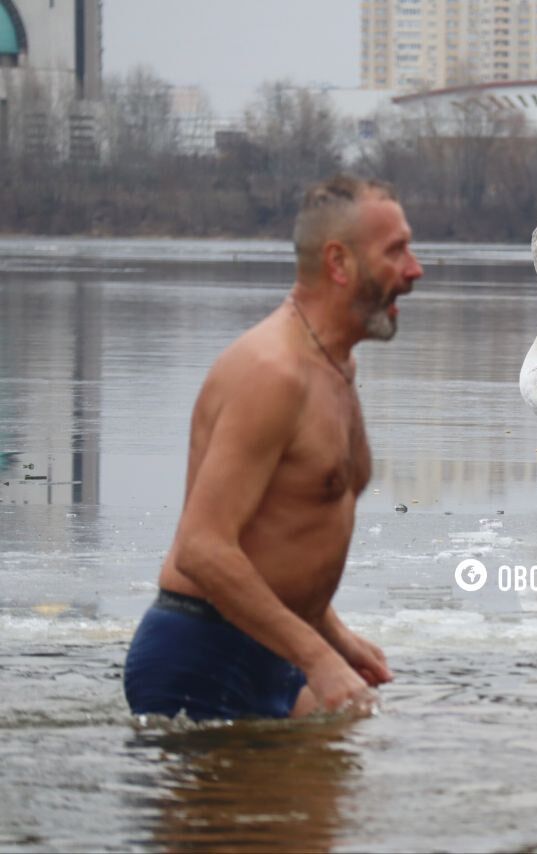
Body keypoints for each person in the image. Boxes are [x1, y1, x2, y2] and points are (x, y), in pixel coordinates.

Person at [124, 174, 422, 720]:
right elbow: (202, 547)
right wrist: (318, 657)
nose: (415, 269)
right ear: (339, 263)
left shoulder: (336, 365)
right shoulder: (271, 373)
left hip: (280, 647)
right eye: (397, 251)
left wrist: (334, 636)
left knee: (338, 803)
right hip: (204, 655)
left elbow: (286, 529)